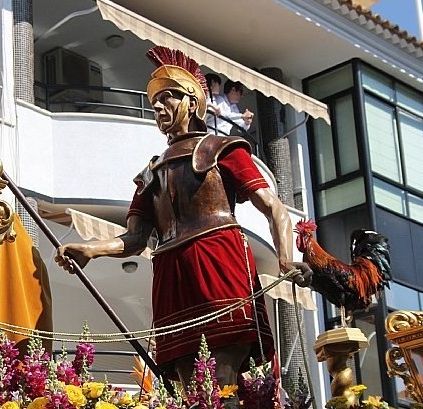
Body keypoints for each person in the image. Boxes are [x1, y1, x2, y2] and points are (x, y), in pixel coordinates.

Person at [55, 47, 311, 406]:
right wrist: (90, 249)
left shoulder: (222, 149)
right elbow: (134, 238)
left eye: (167, 98)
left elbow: (274, 208)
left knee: (222, 375)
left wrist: (285, 260)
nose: (157, 107)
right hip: (171, 272)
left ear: (192, 101)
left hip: (218, 259)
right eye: (154, 101)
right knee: (187, 384)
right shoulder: (151, 172)